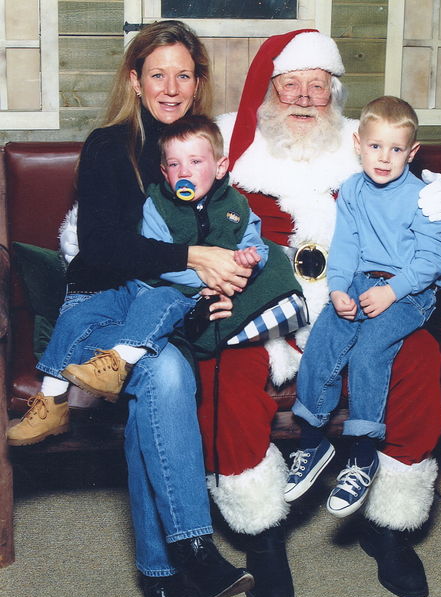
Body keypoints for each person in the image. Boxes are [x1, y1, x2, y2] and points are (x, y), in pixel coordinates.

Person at [59, 29, 441, 597]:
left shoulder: (366, 156)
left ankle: (391, 526)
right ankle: (261, 534)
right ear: (269, 95)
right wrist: (211, 286)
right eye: (290, 87)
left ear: (335, 98)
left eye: (317, 87)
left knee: (419, 357)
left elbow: (427, 215)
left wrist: (438, 199)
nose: (304, 98)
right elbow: (164, 229)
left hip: (351, 302)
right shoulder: (227, 148)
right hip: (258, 304)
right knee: (225, 367)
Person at [9, 21, 262, 597]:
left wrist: (225, 278)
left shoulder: (199, 148)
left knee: (166, 376)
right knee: (165, 376)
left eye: (184, 74)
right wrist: (194, 254)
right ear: (135, 80)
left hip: (162, 305)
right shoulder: (108, 145)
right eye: (158, 75)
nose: (171, 87)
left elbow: (234, 238)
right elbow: (101, 247)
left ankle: (173, 568)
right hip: (103, 299)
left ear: (198, 81)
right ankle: (182, 563)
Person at [6, 115, 268, 421]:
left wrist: (245, 264)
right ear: (164, 171)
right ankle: (50, 397)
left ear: (220, 166)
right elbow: (156, 257)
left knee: (163, 336)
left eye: (196, 162)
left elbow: (258, 249)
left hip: (180, 300)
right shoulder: (155, 202)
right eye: (174, 165)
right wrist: (202, 268)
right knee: (85, 313)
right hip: (140, 287)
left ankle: (121, 359)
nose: (185, 172)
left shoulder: (235, 206)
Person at [285, 96, 441, 519]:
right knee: (325, 336)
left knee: (370, 348)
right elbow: (346, 246)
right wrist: (338, 287)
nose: (385, 157)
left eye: (396, 149)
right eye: (376, 146)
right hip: (360, 280)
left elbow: (432, 262)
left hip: (411, 292)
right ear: (358, 144)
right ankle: (312, 441)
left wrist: (392, 292)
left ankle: (362, 455)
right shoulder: (354, 190)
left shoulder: (426, 197)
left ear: (411, 153)